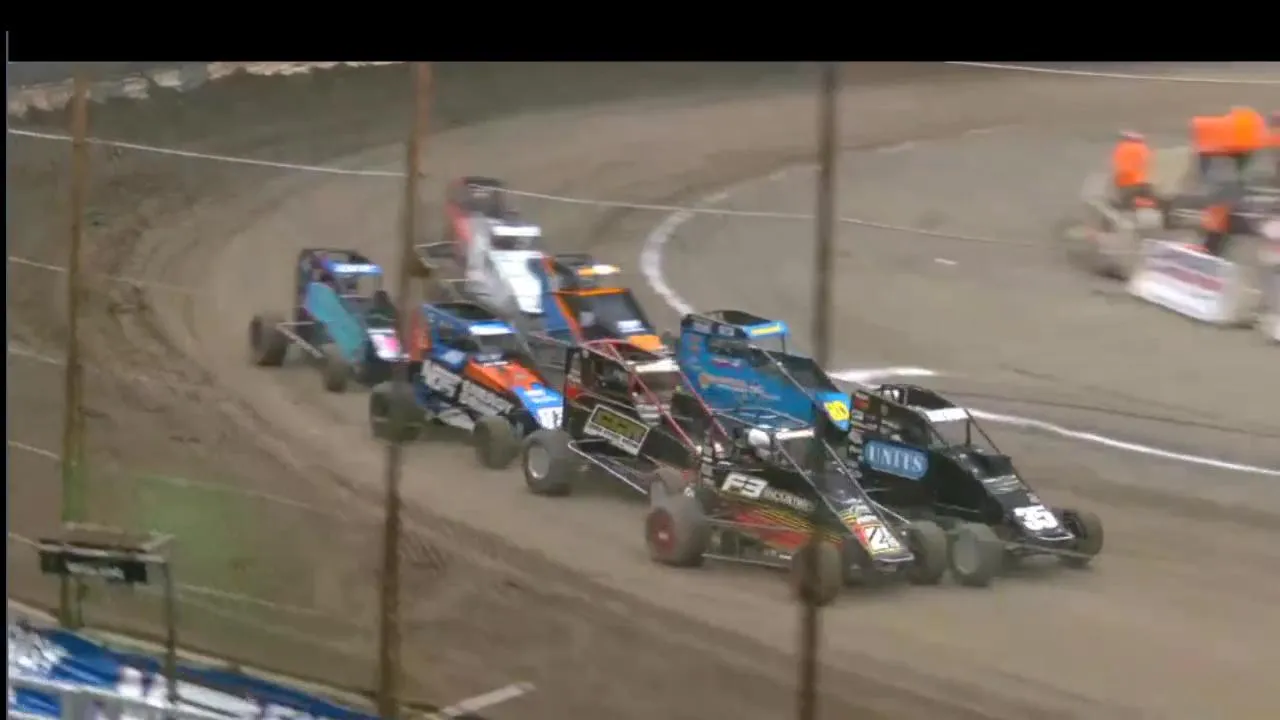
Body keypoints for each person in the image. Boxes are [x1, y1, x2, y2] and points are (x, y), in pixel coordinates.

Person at [1110, 130, 1153, 209]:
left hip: (1127, 182)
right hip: (1144, 183)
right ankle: (1144, 202)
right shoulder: (1145, 149)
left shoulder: (1122, 148)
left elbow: (1117, 165)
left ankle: (1131, 203)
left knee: (1125, 199)